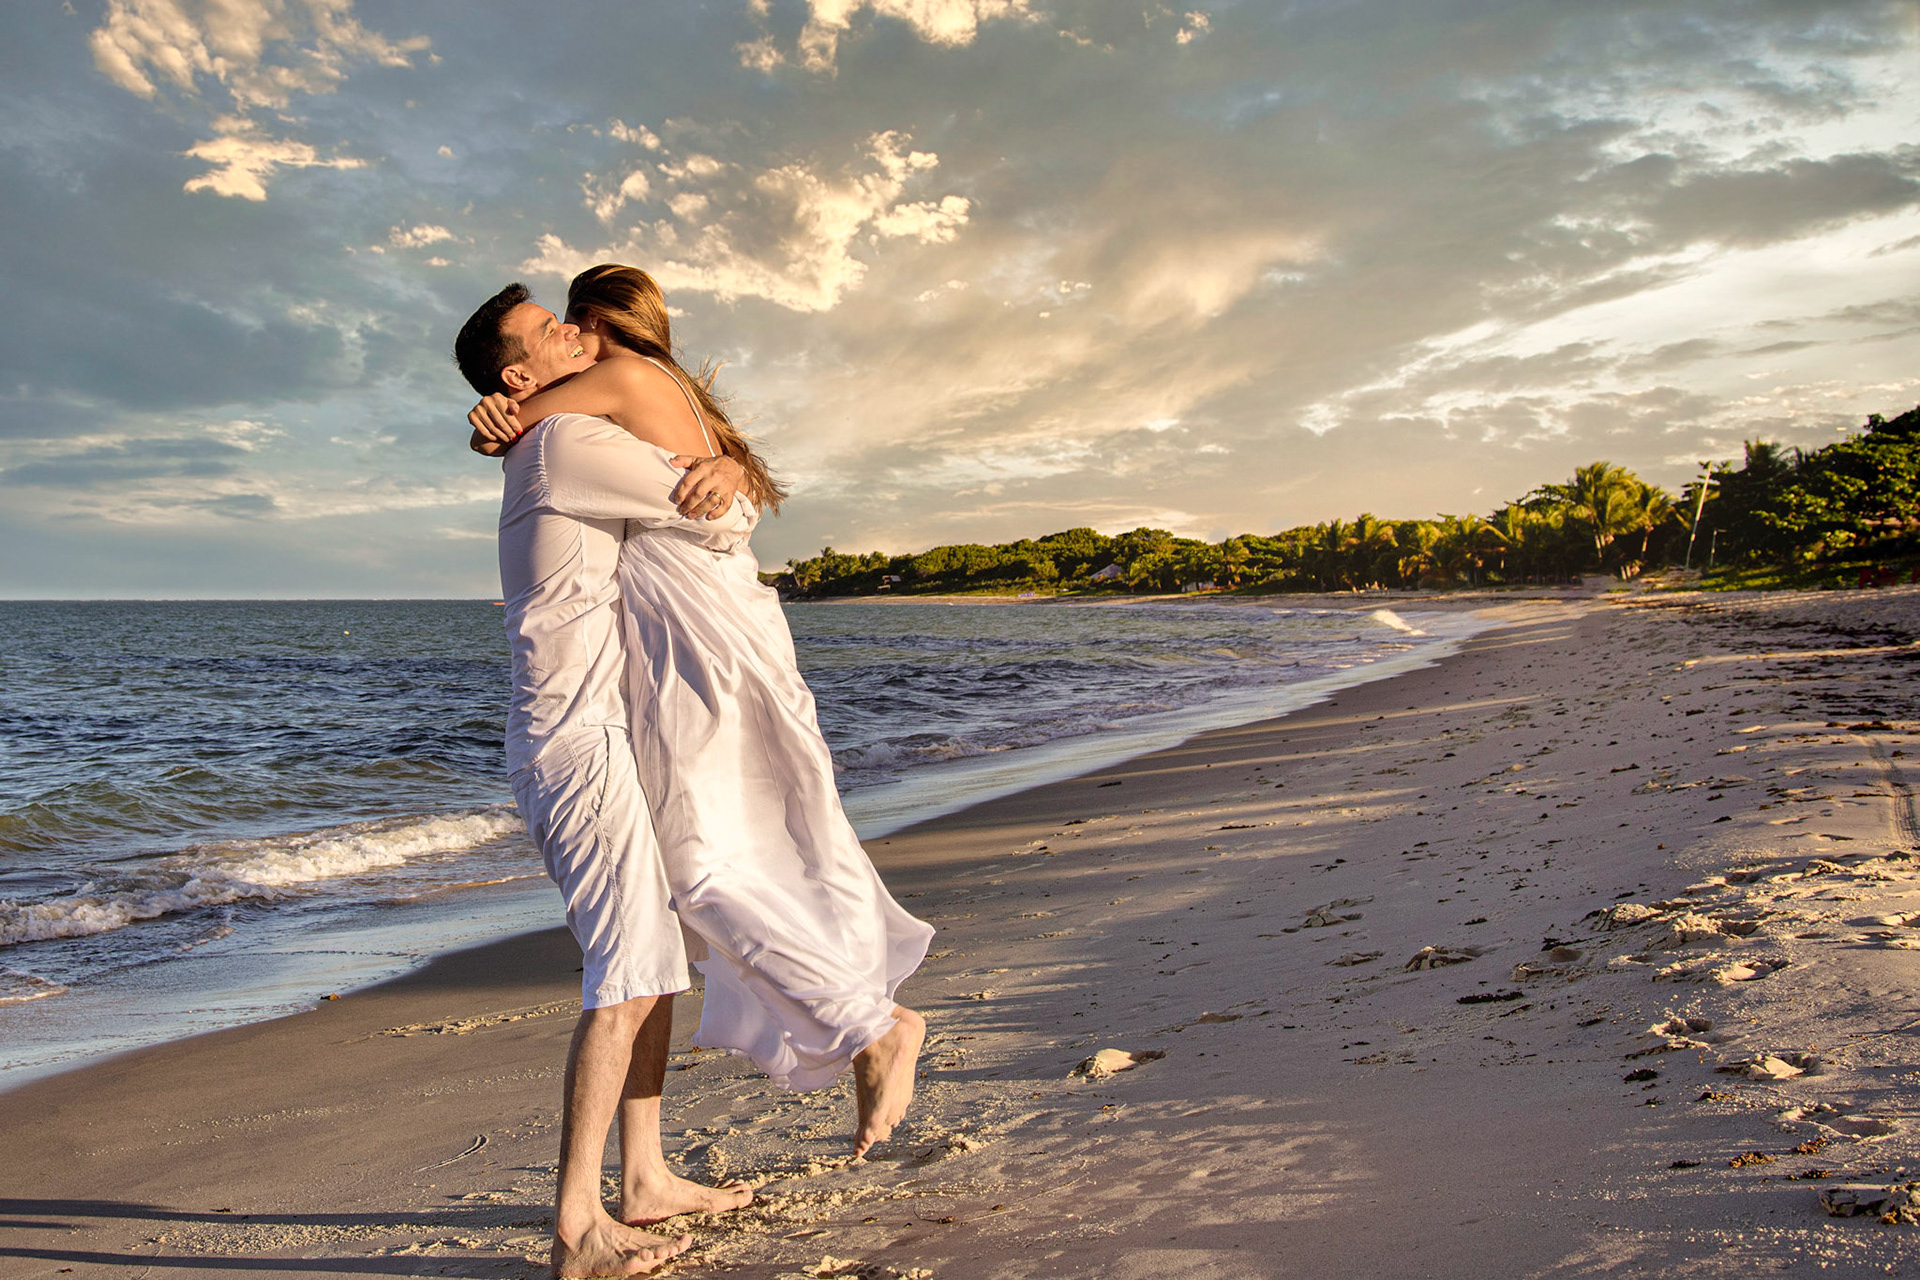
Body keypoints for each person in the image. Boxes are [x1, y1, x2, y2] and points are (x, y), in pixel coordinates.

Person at [466, 265, 933, 1162]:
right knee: (730, 851)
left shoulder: (595, 399)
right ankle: (862, 1022)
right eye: (551, 331)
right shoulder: (624, 398)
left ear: (600, 325)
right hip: (709, 638)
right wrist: (500, 413)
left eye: (572, 324)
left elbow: (716, 512)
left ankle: (871, 1026)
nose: (567, 338)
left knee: (703, 866)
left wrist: (498, 418)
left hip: (702, 645)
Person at [453, 283, 753, 1279]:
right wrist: (717, 468)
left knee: (653, 953)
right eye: (553, 331)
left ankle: (649, 1174)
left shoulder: (551, 430)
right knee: (626, 969)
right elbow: (725, 519)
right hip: (576, 743)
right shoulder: (566, 444)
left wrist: (716, 461)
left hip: (592, 732)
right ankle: (578, 1221)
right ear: (518, 375)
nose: (580, 331)